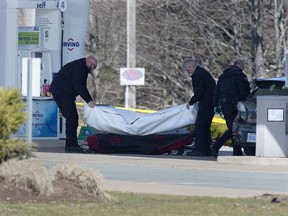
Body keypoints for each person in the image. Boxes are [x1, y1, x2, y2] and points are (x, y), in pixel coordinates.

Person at [50, 56, 97, 153]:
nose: (92, 69)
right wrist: (89, 101)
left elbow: (80, 86)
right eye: (93, 66)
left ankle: (72, 144)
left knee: (71, 117)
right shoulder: (80, 68)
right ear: (89, 62)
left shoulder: (80, 66)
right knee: (72, 118)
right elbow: (79, 86)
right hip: (62, 93)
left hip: (62, 92)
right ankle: (71, 145)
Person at [211, 58, 251, 158]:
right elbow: (244, 92)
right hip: (235, 105)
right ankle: (216, 146)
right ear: (241, 66)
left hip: (224, 104)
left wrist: (216, 105)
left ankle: (236, 151)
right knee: (234, 128)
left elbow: (216, 92)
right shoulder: (240, 76)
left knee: (232, 128)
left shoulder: (223, 76)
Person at [182, 59, 216, 156]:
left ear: (192, 67)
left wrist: (191, 102)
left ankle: (199, 150)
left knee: (200, 126)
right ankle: (207, 149)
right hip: (211, 102)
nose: (187, 72)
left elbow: (199, 92)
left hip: (206, 103)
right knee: (206, 127)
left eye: (188, 70)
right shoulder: (204, 72)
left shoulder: (197, 75)